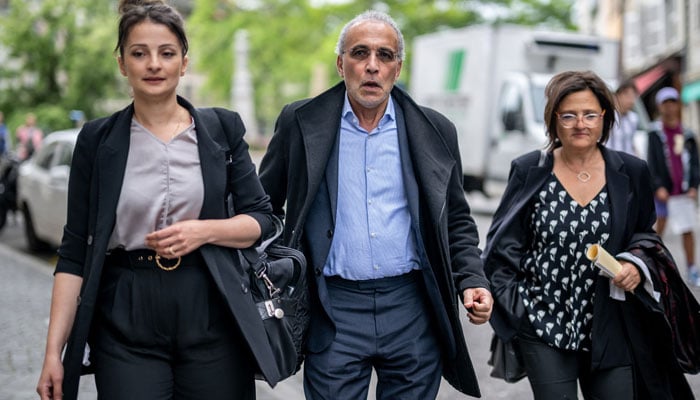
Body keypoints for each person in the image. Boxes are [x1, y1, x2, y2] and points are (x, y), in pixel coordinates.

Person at [36, 1, 279, 399]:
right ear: (122, 64)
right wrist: (53, 352)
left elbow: (262, 221)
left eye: (167, 53)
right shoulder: (97, 141)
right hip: (126, 312)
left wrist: (203, 231)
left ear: (184, 63)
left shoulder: (222, 130)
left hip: (211, 305)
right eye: (139, 53)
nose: (153, 64)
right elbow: (75, 251)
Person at [258, 10, 493, 400]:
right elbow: (263, 208)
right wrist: (274, 269)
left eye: (385, 56)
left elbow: (455, 219)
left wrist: (471, 279)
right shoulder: (300, 122)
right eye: (360, 53)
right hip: (332, 308)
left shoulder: (434, 129)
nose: (372, 66)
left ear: (397, 68)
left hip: (412, 306)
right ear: (340, 63)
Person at [483, 71, 694, 399]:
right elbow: (501, 248)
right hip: (543, 322)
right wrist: (519, 310)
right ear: (553, 120)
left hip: (612, 323)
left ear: (604, 118)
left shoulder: (631, 171)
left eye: (589, 114)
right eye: (568, 115)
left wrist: (636, 267)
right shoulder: (529, 170)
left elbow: (645, 236)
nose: (580, 123)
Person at [647, 87, 700, 286]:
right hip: (663, 193)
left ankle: (692, 269)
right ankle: (652, 266)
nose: (669, 107)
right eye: (665, 103)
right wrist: (658, 186)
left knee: (688, 231)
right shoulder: (655, 133)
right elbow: (651, 162)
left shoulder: (687, 134)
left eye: (672, 102)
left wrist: (694, 185)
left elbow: (695, 163)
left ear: (678, 105)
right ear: (660, 106)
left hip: (684, 191)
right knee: (657, 231)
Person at [607, 80, 640, 156]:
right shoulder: (607, 117)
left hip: (627, 164)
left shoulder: (634, 119)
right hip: (610, 162)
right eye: (627, 95)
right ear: (616, 96)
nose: (631, 100)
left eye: (633, 96)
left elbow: (631, 142)